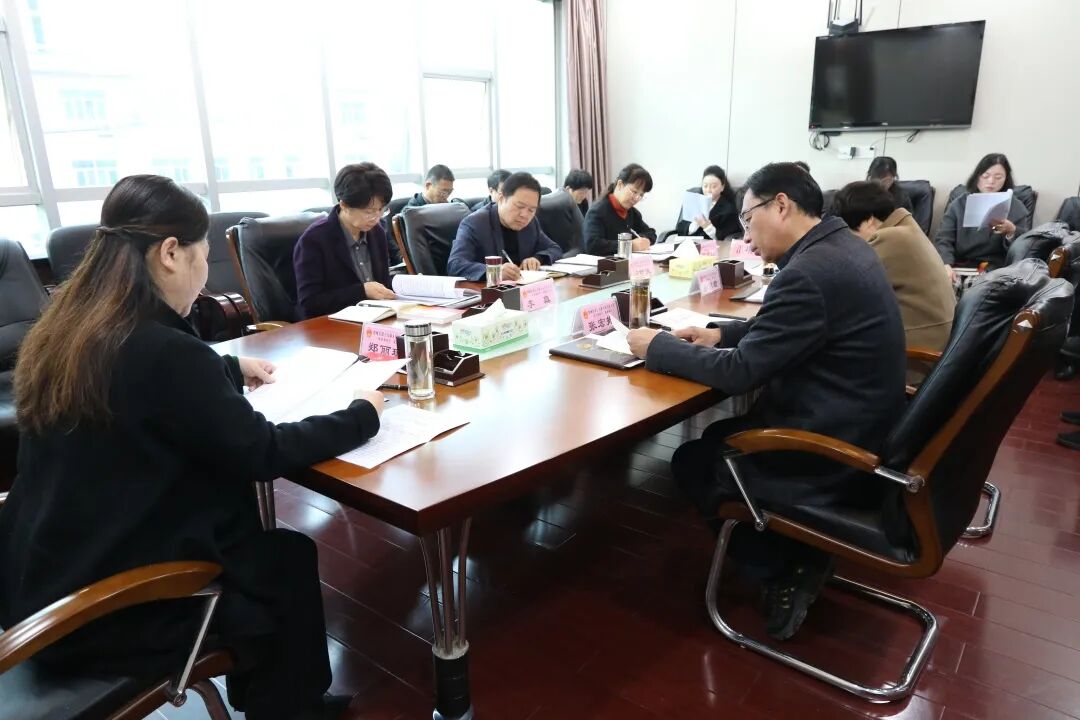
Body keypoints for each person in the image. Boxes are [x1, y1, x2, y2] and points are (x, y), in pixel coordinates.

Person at [0, 175, 383, 720]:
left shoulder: (68, 331)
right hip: (104, 611)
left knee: (265, 551)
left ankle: (273, 695)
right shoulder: (165, 353)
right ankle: (290, 709)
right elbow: (263, 451)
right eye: (203, 255)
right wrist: (362, 415)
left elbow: (142, 388)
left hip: (37, 578)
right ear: (171, 253)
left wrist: (227, 367)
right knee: (285, 559)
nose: (205, 277)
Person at [626, 163, 905, 641]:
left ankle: (784, 569)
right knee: (719, 435)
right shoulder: (841, 247)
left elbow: (741, 373)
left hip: (831, 447)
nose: (746, 236)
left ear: (781, 205)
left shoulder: (810, 272)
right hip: (866, 423)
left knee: (694, 461)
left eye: (748, 218)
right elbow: (789, 326)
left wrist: (659, 347)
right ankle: (796, 547)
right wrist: (720, 333)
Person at [832, 181, 955, 364]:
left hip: (915, 358)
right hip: (934, 346)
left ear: (869, 220)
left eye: (849, 233)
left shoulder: (888, 239)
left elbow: (845, 289)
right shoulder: (906, 230)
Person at [293, 162, 396, 319]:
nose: (376, 218)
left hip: (376, 319)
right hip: (332, 324)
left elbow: (383, 283)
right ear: (344, 205)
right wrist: (362, 291)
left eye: (381, 210)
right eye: (369, 212)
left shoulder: (377, 233)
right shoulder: (313, 240)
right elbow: (309, 304)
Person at [447, 172, 563, 281]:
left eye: (531, 210)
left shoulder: (531, 223)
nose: (524, 215)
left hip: (523, 288)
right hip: (488, 292)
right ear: (501, 199)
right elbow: (455, 264)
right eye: (519, 206)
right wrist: (494, 271)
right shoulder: (475, 223)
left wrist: (537, 259)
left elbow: (554, 249)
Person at [934, 153, 1031, 279]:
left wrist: (1011, 231)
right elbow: (944, 238)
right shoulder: (959, 204)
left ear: (1006, 179)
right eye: (985, 176)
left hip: (996, 267)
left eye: (998, 177)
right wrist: (945, 264)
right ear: (977, 176)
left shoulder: (1015, 206)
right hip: (959, 263)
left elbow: (1025, 245)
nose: (991, 181)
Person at [583, 163, 657, 255]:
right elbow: (592, 246)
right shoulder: (597, 211)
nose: (636, 198)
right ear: (620, 184)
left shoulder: (632, 212)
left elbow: (651, 233)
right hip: (604, 263)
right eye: (634, 192)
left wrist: (645, 241)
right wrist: (630, 245)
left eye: (641, 195)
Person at [675, 164, 741, 240]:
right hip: (688, 243)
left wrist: (708, 227)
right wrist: (694, 225)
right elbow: (680, 229)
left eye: (714, 186)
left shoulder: (729, 209)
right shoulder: (694, 201)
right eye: (705, 186)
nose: (708, 190)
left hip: (711, 245)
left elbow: (727, 237)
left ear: (722, 187)